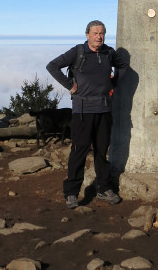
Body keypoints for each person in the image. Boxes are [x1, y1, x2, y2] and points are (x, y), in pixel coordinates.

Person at [46, 20, 128, 208]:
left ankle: (104, 188)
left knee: (101, 151)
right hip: (82, 110)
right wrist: (69, 85)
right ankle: (71, 193)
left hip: (104, 109)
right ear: (87, 35)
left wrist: (113, 84)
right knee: (79, 151)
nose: (99, 36)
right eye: (95, 33)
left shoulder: (108, 53)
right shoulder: (78, 52)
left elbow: (123, 66)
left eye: (102, 33)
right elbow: (52, 66)